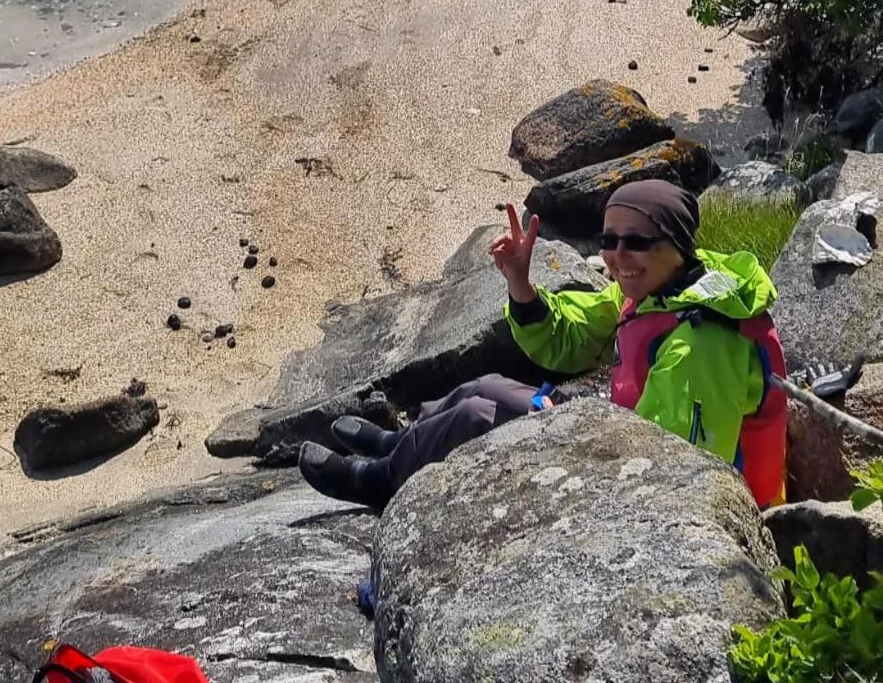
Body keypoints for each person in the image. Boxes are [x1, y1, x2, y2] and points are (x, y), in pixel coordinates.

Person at [297, 178, 787, 511]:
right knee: (484, 386)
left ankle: (381, 482)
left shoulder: (702, 343)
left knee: (478, 418)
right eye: (608, 240)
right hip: (627, 440)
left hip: (675, 493)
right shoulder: (664, 291)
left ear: (676, 244)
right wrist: (522, 286)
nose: (618, 256)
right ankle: (399, 445)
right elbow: (570, 341)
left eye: (636, 242)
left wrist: (571, 426)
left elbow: (674, 468)